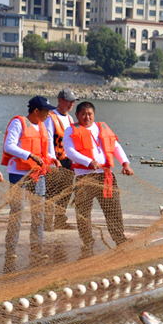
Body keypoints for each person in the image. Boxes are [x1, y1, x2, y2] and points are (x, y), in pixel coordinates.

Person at [62, 101, 134, 258]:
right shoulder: (70, 130)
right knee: (83, 211)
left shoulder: (103, 127)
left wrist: (125, 163)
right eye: (83, 114)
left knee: (113, 208)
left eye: (90, 114)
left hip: (106, 175)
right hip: (84, 176)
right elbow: (69, 151)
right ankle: (87, 241)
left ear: (94, 114)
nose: (87, 117)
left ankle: (119, 238)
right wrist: (89, 162)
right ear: (77, 115)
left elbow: (115, 147)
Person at [1, 96, 60, 271]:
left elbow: (48, 152)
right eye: (46, 111)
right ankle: (10, 249)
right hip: (18, 174)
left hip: (37, 174)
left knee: (39, 213)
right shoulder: (19, 123)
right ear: (36, 111)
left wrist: (53, 159)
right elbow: (8, 146)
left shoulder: (43, 126)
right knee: (17, 213)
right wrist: (29, 155)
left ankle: (37, 249)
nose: (49, 114)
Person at [44, 88, 78, 230]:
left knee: (65, 191)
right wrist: (52, 161)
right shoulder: (50, 117)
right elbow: (48, 140)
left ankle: (60, 220)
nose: (71, 104)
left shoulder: (70, 118)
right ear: (60, 100)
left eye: (73, 101)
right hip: (55, 160)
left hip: (67, 160)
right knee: (52, 192)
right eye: (68, 101)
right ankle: (47, 222)